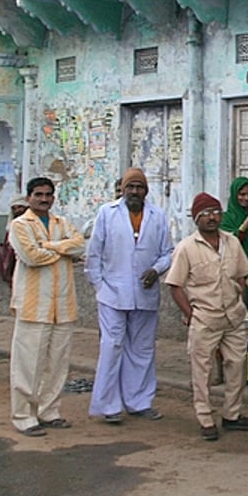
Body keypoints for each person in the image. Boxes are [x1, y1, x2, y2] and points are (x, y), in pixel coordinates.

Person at [165, 192, 248, 441]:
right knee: (202, 370)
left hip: (234, 315)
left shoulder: (232, 242)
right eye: (205, 214)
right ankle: (205, 417)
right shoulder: (186, 248)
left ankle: (232, 415)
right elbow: (175, 286)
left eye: (215, 212)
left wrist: (241, 300)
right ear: (196, 219)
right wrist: (191, 314)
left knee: (237, 365)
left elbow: (242, 275)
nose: (211, 218)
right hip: (205, 317)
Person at [85, 167, 174, 424]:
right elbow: (94, 254)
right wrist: (99, 286)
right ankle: (109, 405)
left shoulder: (158, 216)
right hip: (111, 293)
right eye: (130, 187)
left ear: (146, 191)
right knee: (112, 346)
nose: (135, 192)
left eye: (140, 188)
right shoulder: (107, 213)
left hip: (145, 293)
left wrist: (156, 270)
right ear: (123, 190)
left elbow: (168, 252)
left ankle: (139, 402)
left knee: (142, 349)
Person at [6, 177, 87, 437]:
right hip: (33, 305)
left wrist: (50, 246)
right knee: (28, 365)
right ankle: (23, 416)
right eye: (38, 194)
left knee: (57, 364)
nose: (44, 199)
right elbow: (31, 256)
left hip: (63, 305)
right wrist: (63, 252)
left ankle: (49, 411)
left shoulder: (61, 223)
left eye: (48, 194)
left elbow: (80, 244)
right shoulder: (19, 225)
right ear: (29, 197)